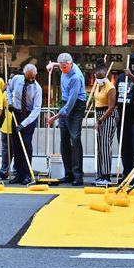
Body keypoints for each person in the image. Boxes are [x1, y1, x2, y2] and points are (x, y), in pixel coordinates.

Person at [47, 53, 87, 186]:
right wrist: (51, 65)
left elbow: (71, 102)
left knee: (75, 137)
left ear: (71, 63)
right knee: (64, 138)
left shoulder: (76, 77)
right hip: (65, 102)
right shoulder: (63, 66)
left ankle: (78, 175)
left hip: (76, 105)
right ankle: (68, 174)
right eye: (61, 67)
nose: (63, 70)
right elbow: (57, 64)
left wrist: (55, 116)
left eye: (65, 67)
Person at [6, 64, 42, 184]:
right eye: (29, 78)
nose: (31, 80)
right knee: (16, 144)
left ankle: (27, 174)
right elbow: (8, 90)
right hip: (16, 113)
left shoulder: (37, 88)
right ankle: (19, 174)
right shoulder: (16, 79)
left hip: (29, 116)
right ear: (24, 75)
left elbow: (37, 109)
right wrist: (10, 103)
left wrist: (24, 124)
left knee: (26, 144)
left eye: (33, 77)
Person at [115, 53, 134, 180]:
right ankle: (126, 173)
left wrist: (131, 76)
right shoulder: (120, 77)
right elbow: (116, 94)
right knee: (124, 147)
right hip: (122, 118)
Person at [91, 61, 118, 186]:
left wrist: (100, 120)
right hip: (98, 114)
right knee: (99, 146)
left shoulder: (110, 87)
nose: (100, 79)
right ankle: (100, 174)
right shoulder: (97, 85)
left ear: (106, 75)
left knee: (105, 145)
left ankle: (106, 175)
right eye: (98, 77)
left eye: (102, 77)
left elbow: (111, 107)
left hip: (107, 116)